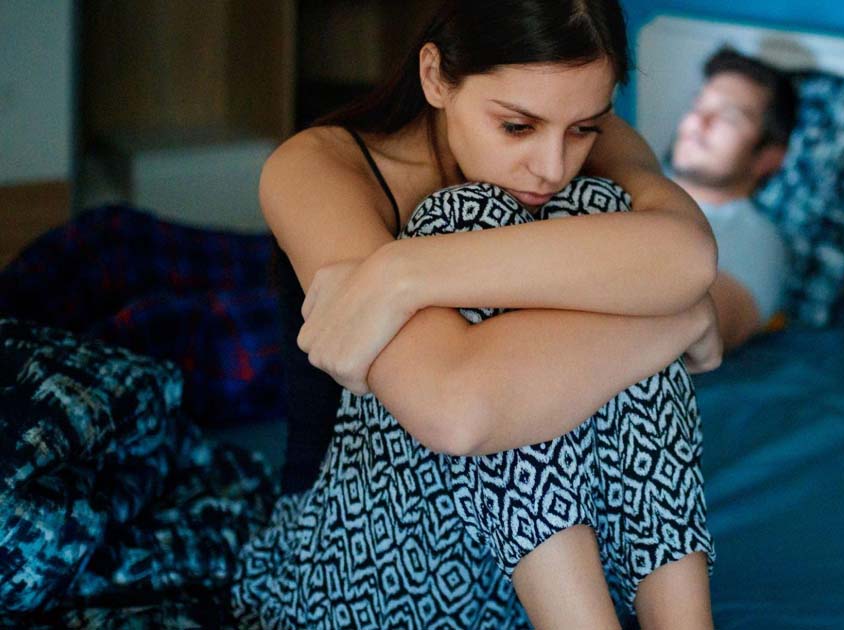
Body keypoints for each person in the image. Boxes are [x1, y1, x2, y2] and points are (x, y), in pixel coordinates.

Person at [231, 1, 719, 628]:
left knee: (600, 205)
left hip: (548, 557)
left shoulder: (589, 148)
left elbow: (689, 254)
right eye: (517, 127)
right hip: (373, 558)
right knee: (466, 214)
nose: (551, 165)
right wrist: (682, 321)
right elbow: (454, 409)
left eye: (584, 128)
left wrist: (401, 273)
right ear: (435, 76)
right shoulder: (319, 165)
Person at [669, 47, 795, 351]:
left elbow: (687, 328)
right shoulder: (625, 174)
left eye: (728, 116)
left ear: (768, 157)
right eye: (699, 105)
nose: (700, 120)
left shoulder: (758, 239)